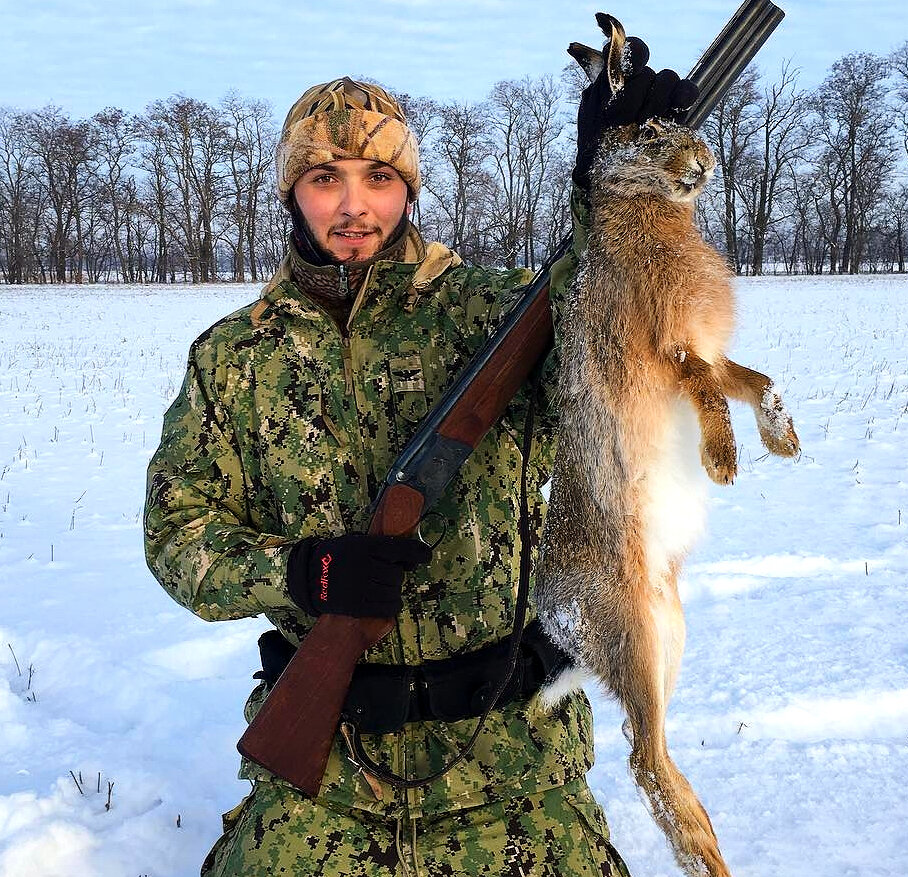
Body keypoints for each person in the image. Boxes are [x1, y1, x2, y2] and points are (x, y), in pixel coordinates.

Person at [144, 28, 696, 877]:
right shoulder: (234, 357)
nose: (353, 204)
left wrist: (616, 192)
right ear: (294, 193)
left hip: (513, 759)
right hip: (328, 770)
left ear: (408, 189)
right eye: (325, 178)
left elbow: (610, 319)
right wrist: (303, 575)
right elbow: (176, 534)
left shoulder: (495, 311)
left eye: (379, 177)